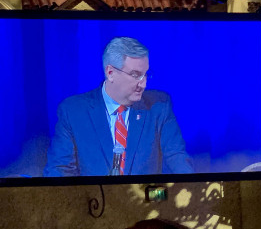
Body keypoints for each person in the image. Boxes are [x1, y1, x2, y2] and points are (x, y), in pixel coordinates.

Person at [44, 37, 194, 177]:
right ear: (110, 73)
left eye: (146, 75)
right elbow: (59, 170)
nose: (143, 84)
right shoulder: (73, 111)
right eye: (136, 75)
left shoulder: (159, 106)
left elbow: (177, 158)